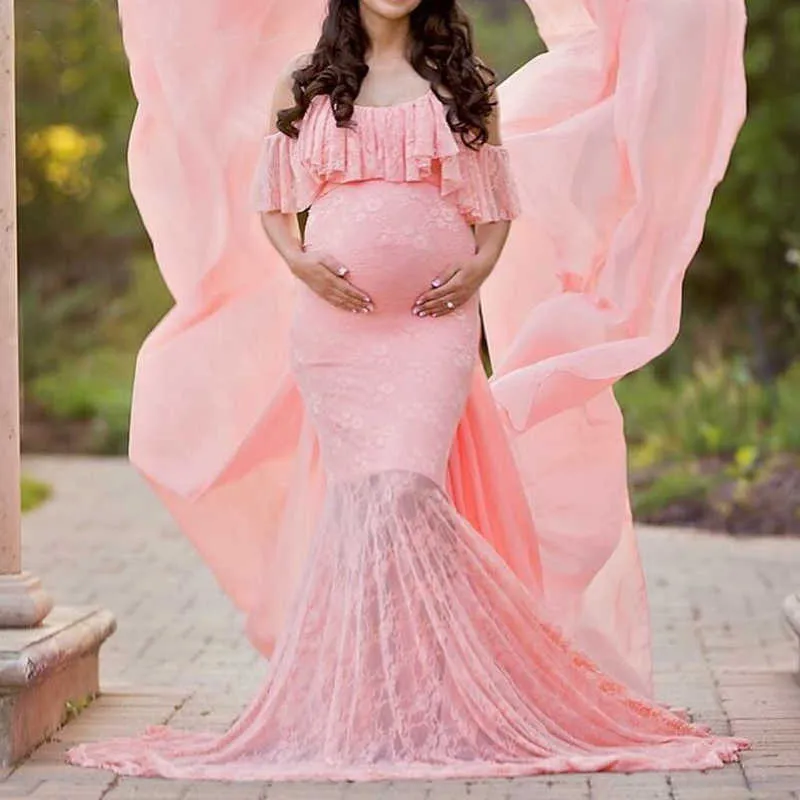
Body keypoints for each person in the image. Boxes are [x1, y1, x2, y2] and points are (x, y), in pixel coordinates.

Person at [64, 0, 750, 782]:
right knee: (363, 507)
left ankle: (487, 683)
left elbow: (497, 207)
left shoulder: (463, 84)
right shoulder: (310, 83)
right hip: (335, 337)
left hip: (432, 329)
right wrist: (303, 265)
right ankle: (376, 701)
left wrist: (479, 271)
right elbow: (271, 199)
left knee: (407, 491)